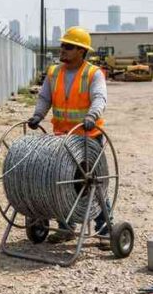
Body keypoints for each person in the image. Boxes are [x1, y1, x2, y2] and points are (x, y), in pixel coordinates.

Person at [26, 26, 110, 241]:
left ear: (81, 51)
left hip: (88, 138)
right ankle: (66, 227)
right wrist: (38, 115)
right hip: (62, 138)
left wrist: (92, 116)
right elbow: (45, 98)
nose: (62, 50)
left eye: (68, 46)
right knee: (61, 182)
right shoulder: (54, 72)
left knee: (93, 184)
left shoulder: (93, 74)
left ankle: (105, 228)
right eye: (62, 45)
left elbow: (100, 98)